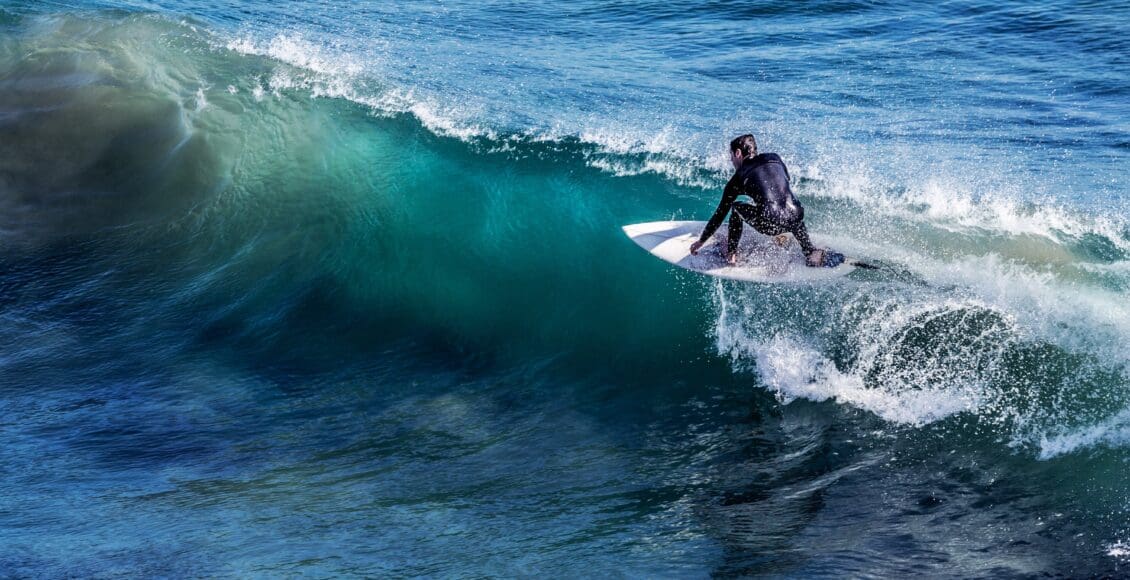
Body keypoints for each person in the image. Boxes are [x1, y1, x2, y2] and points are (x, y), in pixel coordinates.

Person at [689, 134, 835, 267]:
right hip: (797, 217)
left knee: (736, 208)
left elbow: (720, 214)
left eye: (731, 155)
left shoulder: (738, 177)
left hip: (770, 224)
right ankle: (809, 250)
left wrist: (701, 241)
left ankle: (731, 253)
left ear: (738, 153)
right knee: (786, 205)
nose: (731, 160)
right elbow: (784, 181)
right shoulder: (775, 158)